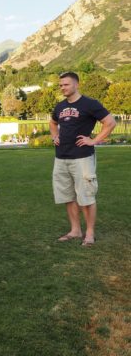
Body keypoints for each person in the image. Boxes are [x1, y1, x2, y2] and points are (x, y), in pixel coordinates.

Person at [50, 71, 116, 247]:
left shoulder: (90, 104)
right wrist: (54, 136)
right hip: (61, 158)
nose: (62, 87)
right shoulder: (59, 106)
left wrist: (94, 140)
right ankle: (75, 230)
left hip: (82, 158)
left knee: (86, 197)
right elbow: (52, 122)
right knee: (68, 197)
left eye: (66, 84)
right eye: (61, 85)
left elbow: (110, 122)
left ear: (77, 84)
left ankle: (89, 234)